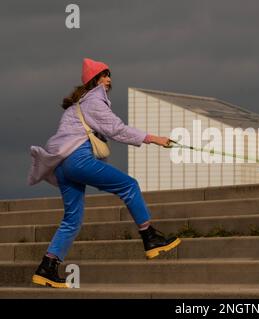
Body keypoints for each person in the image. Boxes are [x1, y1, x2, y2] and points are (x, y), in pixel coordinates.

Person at [27, 58, 181, 288]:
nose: (108, 80)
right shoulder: (95, 99)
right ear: (95, 81)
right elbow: (117, 129)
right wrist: (155, 139)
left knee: (72, 219)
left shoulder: (76, 106)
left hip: (62, 166)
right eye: (104, 75)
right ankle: (150, 238)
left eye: (109, 75)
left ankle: (46, 268)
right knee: (129, 185)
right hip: (78, 160)